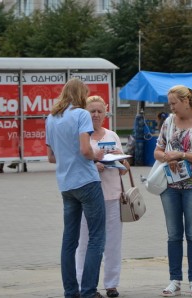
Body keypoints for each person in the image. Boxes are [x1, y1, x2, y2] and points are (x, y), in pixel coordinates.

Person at [45, 78, 106, 298]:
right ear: (82, 94)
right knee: (97, 237)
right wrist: (96, 155)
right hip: (87, 181)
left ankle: (71, 292)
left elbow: (51, 157)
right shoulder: (82, 114)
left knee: (69, 240)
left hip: (66, 185)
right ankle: (89, 291)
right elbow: (84, 150)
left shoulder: (51, 118)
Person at [153, 85, 192, 297]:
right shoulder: (169, 121)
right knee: (173, 235)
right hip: (170, 187)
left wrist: (181, 155)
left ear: (186, 101)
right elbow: (157, 151)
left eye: (173, 103)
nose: (171, 107)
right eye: (169, 103)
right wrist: (166, 157)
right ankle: (174, 279)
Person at [75, 95, 130, 298]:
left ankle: (112, 284)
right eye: (92, 111)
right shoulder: (82, 136)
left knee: (113, 242)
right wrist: (93, 165)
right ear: (85, 113)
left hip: (112, 195)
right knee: (86, 241)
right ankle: (83, 282)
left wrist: (119, 159)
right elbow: (78, 165)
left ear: (106, 112)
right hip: (88, 197)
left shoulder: (113, 135)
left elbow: (125, 169)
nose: (96, 115)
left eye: (99, 111)